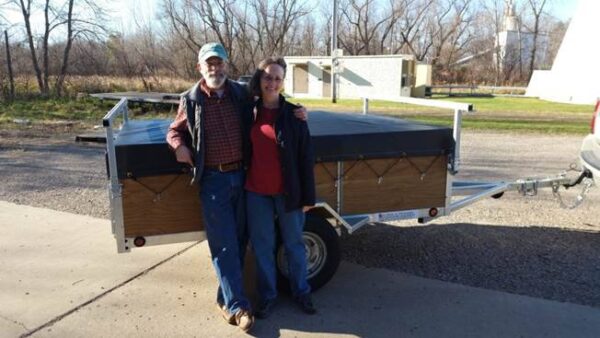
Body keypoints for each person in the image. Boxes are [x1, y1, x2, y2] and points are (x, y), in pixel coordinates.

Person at [166, 43, 306, 332]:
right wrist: (178, 146)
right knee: (224, 245)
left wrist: (299, 110)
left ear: (227, 66)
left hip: (242, 178)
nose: (215, 69)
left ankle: (226, 297)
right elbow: (174, 130)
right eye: (209, 64)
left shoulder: (240, 93)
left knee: (241, 241)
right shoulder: (190, 100)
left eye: (219, 64)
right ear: (200, 68)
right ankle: (239, 307)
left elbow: (273, 95)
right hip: (213, 181)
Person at [244, 57, 317, 319]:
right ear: (259, 79)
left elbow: (306, 158)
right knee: (262, 246)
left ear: (283, 82)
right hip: (256, 192)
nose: (272, 82)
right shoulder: (248, 112)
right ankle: (267, 296)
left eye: (277, 78)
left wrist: (309, 197)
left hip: (289, 193)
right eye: (267, 77)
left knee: (294, 244)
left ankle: (302, 292)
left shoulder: (295, 115)